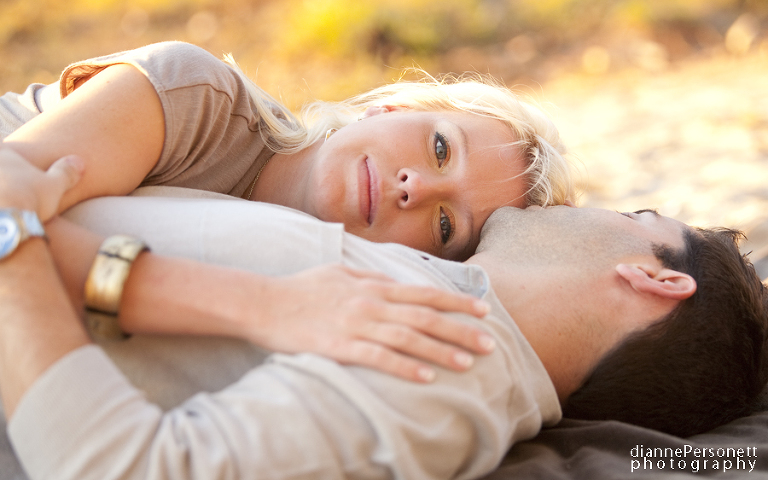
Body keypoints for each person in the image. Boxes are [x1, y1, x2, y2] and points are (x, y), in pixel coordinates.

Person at [2, 150, 765, 480]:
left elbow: (122, 467)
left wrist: (10, 234)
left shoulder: (446, 366)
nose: (587, 205)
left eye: (636, 214)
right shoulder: (436, 299)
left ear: (653, 277)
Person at [0, 41, 573, 380]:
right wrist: (261, 305)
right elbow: (7, 218)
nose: (414, 187)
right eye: (441, 147)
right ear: (391, 110)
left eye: (446, 224)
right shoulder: (195, 96)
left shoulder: (335, 303)